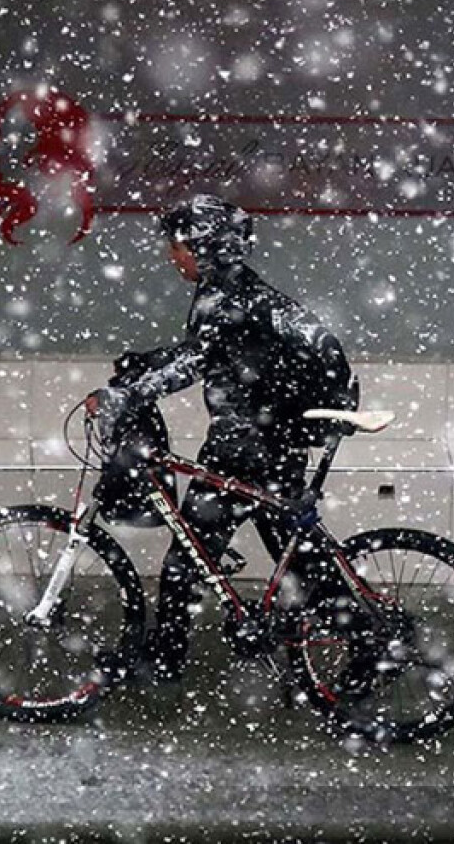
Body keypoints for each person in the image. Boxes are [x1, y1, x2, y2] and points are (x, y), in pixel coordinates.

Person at [94, 194, 357, 680]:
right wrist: (146, 364)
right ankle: (364, 641)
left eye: (179, 246)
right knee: (296, 561)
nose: (173, 256)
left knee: (186, 557)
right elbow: (206, 350)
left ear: (206, 245)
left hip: (247, 445)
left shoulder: (226, 296)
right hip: (273, 440)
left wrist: (128, 397)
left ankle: (165, 658)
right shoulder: (239, 291)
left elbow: (197, 361)